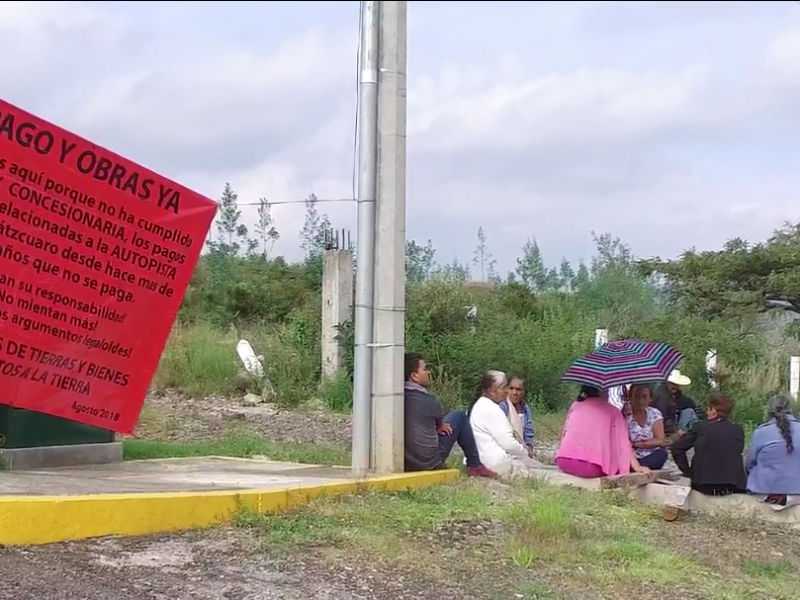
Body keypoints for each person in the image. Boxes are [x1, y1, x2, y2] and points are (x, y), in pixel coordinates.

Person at [403, 353, 497, 478]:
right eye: (425, 369)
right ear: (414, 376)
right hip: (429, 462)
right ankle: (475, 465)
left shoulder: (395, 400)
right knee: (459, 416)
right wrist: (440, 426)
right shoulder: (431, 400)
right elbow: (441, 426)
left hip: (405, 462)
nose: (429, 372)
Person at [555, 386, 649, 478]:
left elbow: (565, 432)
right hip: (591, 467)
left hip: (564, 461)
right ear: (602, 391)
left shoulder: (576, 405)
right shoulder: (613, 411)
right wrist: (637, 467)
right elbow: (623, 444)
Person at [671, 392, 746, 496]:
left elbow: (676, 448)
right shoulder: (738, 430)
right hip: (733, 485)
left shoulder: (700, 427)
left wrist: (688, 472)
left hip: (704, 484)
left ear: (713, 411)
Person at [469, 370, 540, 478]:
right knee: (542, 473)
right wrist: (524, 452)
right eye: (504, 387)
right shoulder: (491, 409)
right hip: (495, 463)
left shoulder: (482, 405)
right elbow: (508, 444)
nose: (507, 392)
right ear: (492, 391)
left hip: (484, 460)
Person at [746, 395, 800, 504]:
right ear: (789, 409)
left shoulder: (761, 432)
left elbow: (750, 463)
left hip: (767, 492)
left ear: (769, 411)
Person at [626, 384, 667, 470]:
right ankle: (635, 467)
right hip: (630, 455)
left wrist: (638, 444)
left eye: (644, 397)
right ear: (630, 398)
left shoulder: (655, 413)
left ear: (650, 399)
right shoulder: (623, 415)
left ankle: (636, 468)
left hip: (650, 455)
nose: (641, 401)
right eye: (637, 397)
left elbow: (659, 439)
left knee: (662, 454)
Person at [652, 370, 699, 436]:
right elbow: (663, 417)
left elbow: (689, 403)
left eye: (677, 384)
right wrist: (676, 430)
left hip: (673, 424)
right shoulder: (661, 396)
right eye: (673, 384)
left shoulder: (676, 395)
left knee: (689, 411)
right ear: (667, 382)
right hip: (665, 428)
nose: (675, 386)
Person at [499, 375, 534, 457]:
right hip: (504, 449)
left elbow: (528, 431)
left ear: (523, 392)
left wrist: (529, 447)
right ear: (506, 389)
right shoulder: (503, 406)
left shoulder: (525, 408)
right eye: (511, 388)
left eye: (518, 389)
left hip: (520, 449)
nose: (514, 393)